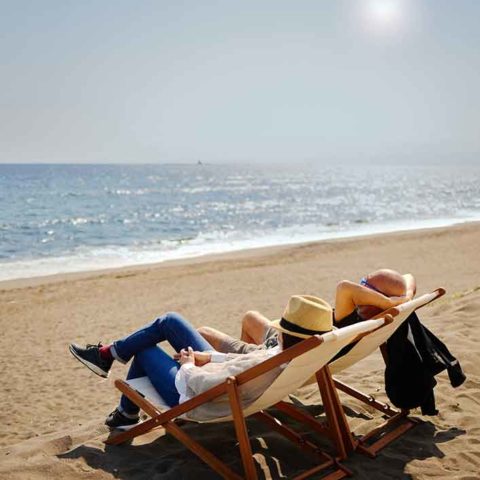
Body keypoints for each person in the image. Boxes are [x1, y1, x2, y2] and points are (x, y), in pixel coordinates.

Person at [69, 295, 334, 428]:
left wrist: (188, 364)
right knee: (170, 321)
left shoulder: (273, 359)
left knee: (147, 351)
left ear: (285, 333)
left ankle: (125, 409)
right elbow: (248, 360)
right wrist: (210, 357)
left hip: (198, 397)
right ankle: (109, 359)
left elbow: (204, 385)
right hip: (224, 382)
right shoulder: (294, 356)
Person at [198, 269, 416, 355]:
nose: (360, 283)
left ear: (369, 297)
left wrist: (388, 300)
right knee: (250, 317)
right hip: (299, 349)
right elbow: (408, 277)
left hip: (285, 352)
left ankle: (249, 374)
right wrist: (403, 298)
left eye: (364, 283)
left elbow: (344, 286)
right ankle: (253, 362)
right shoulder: (372, 321)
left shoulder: (348, 318)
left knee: (202, 332)